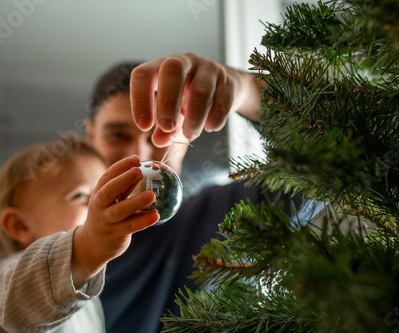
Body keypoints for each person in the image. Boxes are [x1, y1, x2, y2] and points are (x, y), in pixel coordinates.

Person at [85, 53, 282, 333]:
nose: (140, 156)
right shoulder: (56, 243)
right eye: (118, 135)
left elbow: (328, 165)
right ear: (91, 137)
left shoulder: (226, 216)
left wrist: (247, 90)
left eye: (159, 132)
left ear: (185, 134)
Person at [0, 134, 159, 332]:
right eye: (80, 195)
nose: (99, 206)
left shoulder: (89, 299)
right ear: (20, 226)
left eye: (102, 193)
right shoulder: (3, 281)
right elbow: (22, 299)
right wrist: (88, 246)